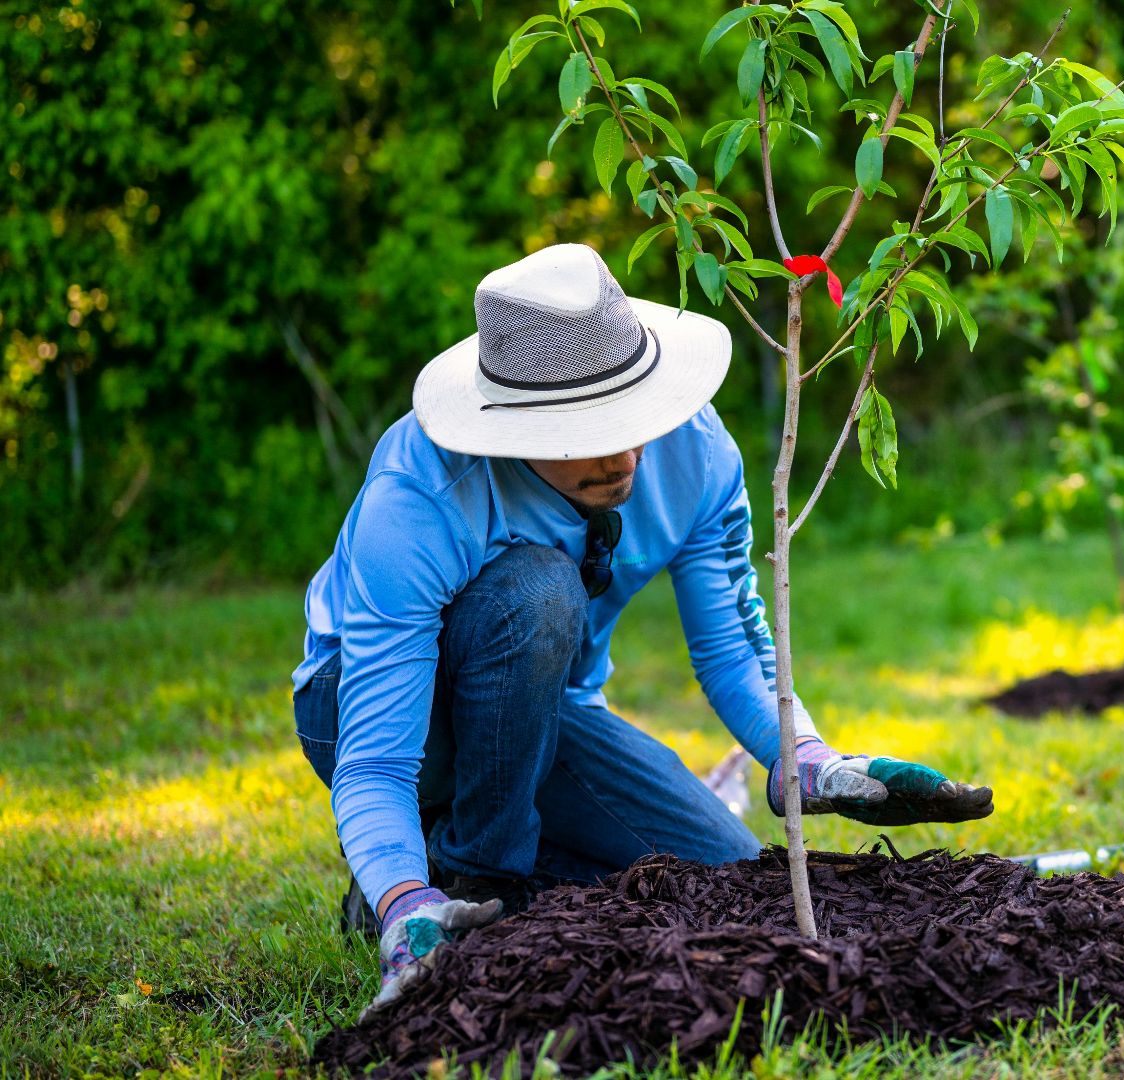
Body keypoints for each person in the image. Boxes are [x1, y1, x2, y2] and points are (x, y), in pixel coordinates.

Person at [290, 243, 992, 1012]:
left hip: (545, 713)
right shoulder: (422, 498)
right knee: (539, 590)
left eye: (634, 416)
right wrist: (403, 903)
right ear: (514, 428)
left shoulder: (695, 453)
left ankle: (452, 869)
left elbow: (733, 646)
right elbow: (377, 761)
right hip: (369, 711)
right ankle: (452, 884)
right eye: (584, 430)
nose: (625, 454)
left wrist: (808, 762)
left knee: (720, 872)